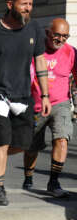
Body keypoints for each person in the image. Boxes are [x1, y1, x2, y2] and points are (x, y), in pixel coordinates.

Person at [0, 0, 51, 206]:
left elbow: (41, 61)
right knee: (2, 141)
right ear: (10, 5)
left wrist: (45, 94)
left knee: (25, 143)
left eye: (31, 4)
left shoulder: (34, 28)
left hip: (22, 94)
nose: (28, 8)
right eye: (24, 4)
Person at [22, 18, 75, 198]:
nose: (60, 39)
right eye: (57, 35)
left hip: (61, 103)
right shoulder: (35, 50)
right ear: (47, 33)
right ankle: (28, 178)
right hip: (35, 104)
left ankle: (54, 182)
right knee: (31, 147)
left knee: (62, 139)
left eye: (65, 36)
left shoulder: (71, 53)